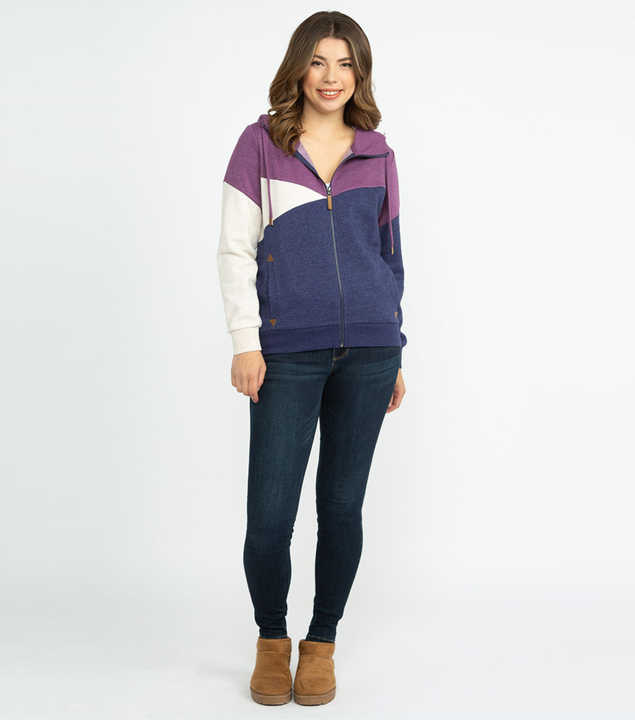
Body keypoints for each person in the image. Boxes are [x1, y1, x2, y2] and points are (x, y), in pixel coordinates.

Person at [216, 10, 407, 706]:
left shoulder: (378, 152)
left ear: (360, 73)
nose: (332, 77)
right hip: (286, 352)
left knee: (343, 507)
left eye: (345, 63)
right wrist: (245, 341)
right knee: (270, 517)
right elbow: (234, 249)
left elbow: (389, 255)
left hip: (371, 351)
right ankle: (272, 640)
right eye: (319, 62)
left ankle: (320, 643)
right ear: (299, 67)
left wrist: (395, 344)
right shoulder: (261, 144)